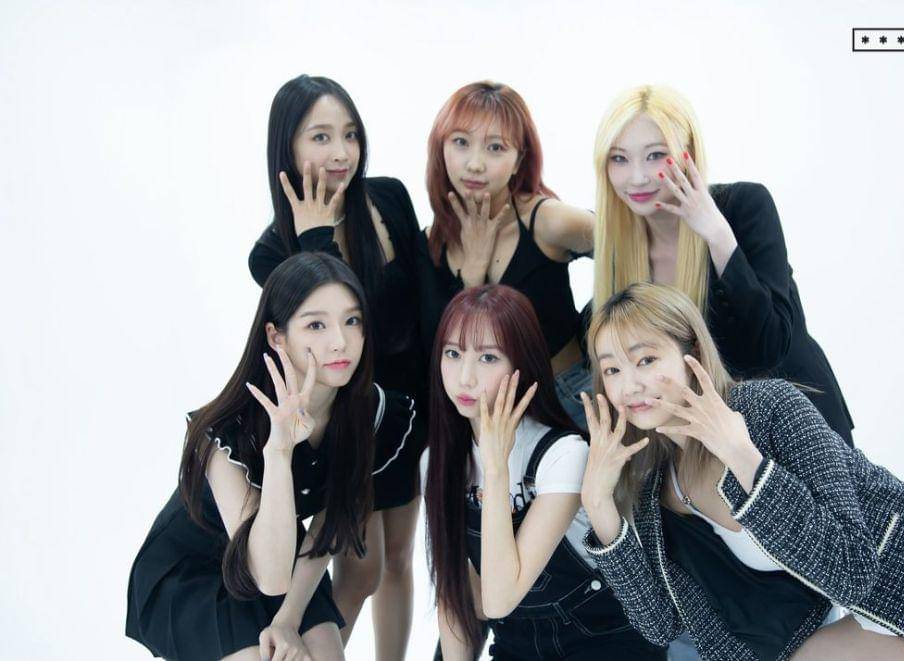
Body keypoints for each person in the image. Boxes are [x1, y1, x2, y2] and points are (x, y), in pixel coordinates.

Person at [580, 281, 904, 660]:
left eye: (646, 360)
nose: (629, 386)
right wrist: (598, 505)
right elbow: (660, 625)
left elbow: (850, 567)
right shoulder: (656, 492)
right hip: (888, 625)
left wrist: (743, 457)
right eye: (612, 369)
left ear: (693, 355)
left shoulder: (767, 408)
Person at [126, 253, 422, 661]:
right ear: (276, 336)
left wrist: (288, 618)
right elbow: (267, 575)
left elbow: (327, 524)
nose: (340, 341)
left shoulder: (369, 413)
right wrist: (279, 452)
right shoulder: (225, 432)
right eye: (316, 325)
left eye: (352, 320)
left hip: (282, 547)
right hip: (194, 568)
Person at [247, 75, 425, 658]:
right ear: (288, 148)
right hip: (352, 414)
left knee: (398, 560)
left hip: (410, 411)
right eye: (320, 137)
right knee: (360, 570)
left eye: (349, 134)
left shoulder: (389, 198)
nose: (341, 152)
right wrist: (315, 239)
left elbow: (423, 301)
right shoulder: (273, 252)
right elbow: (339, 335)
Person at [590, 84, 854, 446]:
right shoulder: (620, 249)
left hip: (799, 424)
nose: (637, 177)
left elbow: (768, 346)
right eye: (619, 159)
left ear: (687, 153)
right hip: (710, 442)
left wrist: (716, 235)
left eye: (655, 156)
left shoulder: (744, 206)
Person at [423, 285, 666, 660]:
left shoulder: (563, 455)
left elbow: (498, 599)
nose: (465, 377)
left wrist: (496, 469)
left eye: (488, 358)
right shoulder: (438, 461)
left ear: (521, 365)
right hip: (516, 644)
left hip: (601, 640)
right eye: (452, 354)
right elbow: (456, 594)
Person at [420, 81, 595, 428]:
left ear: (519, 160)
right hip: (487, 418)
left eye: (495, 147)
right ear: (441, 148)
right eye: (461, 142)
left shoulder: (547, 221)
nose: (475, 164)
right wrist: (473, 273)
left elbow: (634, 247)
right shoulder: (430, 242)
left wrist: (609, 338)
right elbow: (443, 349)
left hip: (567, 399)